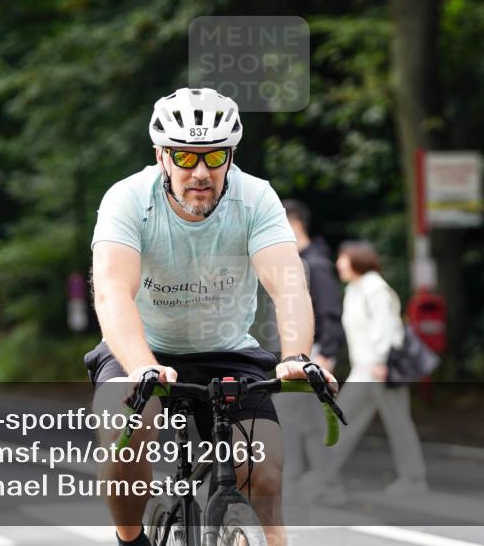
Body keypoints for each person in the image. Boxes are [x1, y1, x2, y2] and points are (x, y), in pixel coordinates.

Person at [84, 87, 338, 546]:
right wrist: (142, 365)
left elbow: (288, 284)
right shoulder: (127, 200)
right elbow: (112, 293)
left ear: (231, 155)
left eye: (214, 157)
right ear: (161, 155)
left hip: (227, 351)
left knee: (264, 478)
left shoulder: (257, 198)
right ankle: (131, 538)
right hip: (141, 348)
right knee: (125, 432)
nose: (200, 172)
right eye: (185, 159)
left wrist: (298, 354)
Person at [310, 240, 428, 500]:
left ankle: (413, 479)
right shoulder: (355, 288)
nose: (339, 264)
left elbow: (385, 326)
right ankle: (324, 477)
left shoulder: (374, 287)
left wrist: (380, 361)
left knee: (396, 425)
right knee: (342, 422)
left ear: (358, 260)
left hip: (378, 370)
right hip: (364, 371)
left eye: (343, 258)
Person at [278, 200, 344, 491]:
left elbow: (330, 311)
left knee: (307, 420)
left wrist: (327, 354)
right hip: (304, 355)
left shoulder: (314, 263)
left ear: (294, 225)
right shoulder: (300, 261)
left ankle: (322, 481)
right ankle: (312, 479)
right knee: (299, 420)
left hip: (315, 354)